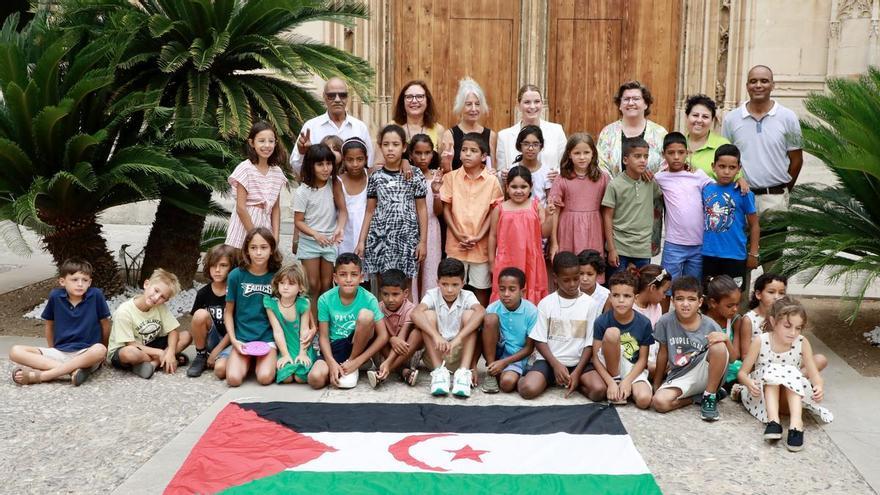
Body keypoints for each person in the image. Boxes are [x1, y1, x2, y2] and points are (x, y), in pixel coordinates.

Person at [738, 297, 832, 452]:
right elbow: (742, 373)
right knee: (775, 372)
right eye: (788, 326)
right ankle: (773, 422)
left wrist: (819, 387)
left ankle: (796, 424)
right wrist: (749, 383)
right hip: (762, 398)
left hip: (789, 398)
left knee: (788, 373)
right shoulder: (761, 341)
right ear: (773, 322)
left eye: (798, 328)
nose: (793, 332)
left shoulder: (802, 342)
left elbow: (814, 376)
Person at [10, 259, 109, 386]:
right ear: (63, 281)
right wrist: (51, 349)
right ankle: (73, 371)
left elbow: (105, 324)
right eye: (74, 280)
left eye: (84, 280)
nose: (80, 284)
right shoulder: (55, 297)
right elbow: (49, 325)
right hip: (60, 352)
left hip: (87, 353)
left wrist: (105, 350)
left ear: (89, 282)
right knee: (15, 351)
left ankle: (42, 375)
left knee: (100, 349)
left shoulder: (96, 295)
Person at [517, 252, 601, 400]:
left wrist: (576, 372)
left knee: (599, 391)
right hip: (550, 361)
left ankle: (574, 382)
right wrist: (555, 365)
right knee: (527, 390)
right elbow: (540, 339)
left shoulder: (590, 304)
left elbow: (589, 344)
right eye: (566, 280)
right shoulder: (546, 303)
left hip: (579, 363)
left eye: (576, 278)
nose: (573, 284)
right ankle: (539, 377)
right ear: (555, 279)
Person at [721, 65, 803, 216]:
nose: (758, 85)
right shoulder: (732, 119)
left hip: (775, 200)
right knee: (741, 240)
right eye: (753, 81)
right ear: (747, 86)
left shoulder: (788, 117)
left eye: (764, 81)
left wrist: (783, 192)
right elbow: (726, 157)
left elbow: (796, 160)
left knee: (775, 240)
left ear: (773, 85)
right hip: (741, 198)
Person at [651, 276, 733, 421]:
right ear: (672, 301)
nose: (685, 304)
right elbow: (663, 353)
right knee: (660, 403)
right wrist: (657, 383)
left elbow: (731, 357)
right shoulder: (665, 321)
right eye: (680, 298)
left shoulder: (710, 324)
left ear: (700, 302)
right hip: (680, 374)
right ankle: (696, 398)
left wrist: (726, 339)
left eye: (691, 299)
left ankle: (710, 396)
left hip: (706, 373)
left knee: (719, 346)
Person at [439, 132, 504, 306]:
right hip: (455, 244)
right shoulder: (450, 177)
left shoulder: (492, 181)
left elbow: (494, 212)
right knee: (451, 286)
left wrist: (479, 236)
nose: (467, 153)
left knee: (481, 288)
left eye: (473, 150)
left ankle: (479, 326)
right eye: (464, 149)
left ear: (484, 156)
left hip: (480, 247)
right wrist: (458, 234)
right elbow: (446, 209)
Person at [358, 125, 428, 285]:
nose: (390, 149)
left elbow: (422, 209)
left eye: (395, 144)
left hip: (407, 239)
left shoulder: (415, 174)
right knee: (384, 287)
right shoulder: (375, 177)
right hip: (380, 238)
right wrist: (362, 241)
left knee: (405, 287)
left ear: (404, 147)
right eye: (386, 144)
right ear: (380, 146)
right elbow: (370, 211)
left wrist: (422, 242)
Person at [307, 253, 389, 389]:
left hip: (358, 345)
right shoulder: (325, 299)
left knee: (366, 315)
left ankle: (352, 365)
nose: (348, 279)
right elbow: (323, 337)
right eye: (343, 274)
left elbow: (383, 336)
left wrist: (356, 361)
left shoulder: (369, 299)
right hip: (335, 347)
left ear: (361, 277)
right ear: (335, 278)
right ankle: (340, 368)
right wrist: (331, 362)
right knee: (315, 379)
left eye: (354, 274)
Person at [410, 258, 485, 398]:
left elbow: (481, 311)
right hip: (436, 352)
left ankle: (463, 373)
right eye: (444, 284)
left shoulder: (468, 295)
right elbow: (415, 313)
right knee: (427, 315)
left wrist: (458, 338)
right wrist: (436, 336)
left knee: (471, 315)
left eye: (455, 285)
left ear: (463, 283)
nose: (449, 289)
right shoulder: (432, 294)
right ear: (437, 282)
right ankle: (439, 373)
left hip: (460, 354)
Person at [582, 271, 654, 409]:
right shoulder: (602, 321)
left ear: (635, 298)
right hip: (608, 367)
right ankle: (616, 382)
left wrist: (627, 381)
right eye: (616, 295)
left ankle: (625, 388)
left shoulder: (644, 322)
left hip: (632, 369)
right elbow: (596, 358)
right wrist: (610, 382)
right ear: (610, 297)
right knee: (612, 333)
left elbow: (643, 360)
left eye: (627, 296)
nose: (621, 300)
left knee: (644, 400)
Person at [293, 143, 348, 317]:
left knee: (327, 285)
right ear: (311, 165)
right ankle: (312, 325)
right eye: (320, 164)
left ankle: (325, 324)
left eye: (328, 163)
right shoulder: (303, 191)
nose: (325, 168)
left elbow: (343, 211)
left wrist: (339, 228)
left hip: (329, 241)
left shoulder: (334, 183)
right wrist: (315, 234)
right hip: (310, 242)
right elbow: (298, 221)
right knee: (312, 285)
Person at [107, 268, 192, 379]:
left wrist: (170, 352)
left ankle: (154, 364)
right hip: (125, 350)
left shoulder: (160, 307)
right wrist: (161, 353)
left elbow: (173, 331)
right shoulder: (124, 311)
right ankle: (164, 361)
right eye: (156, 291)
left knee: (186, 336)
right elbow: (131, 345)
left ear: (165, 301)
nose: (156, 298)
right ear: (146, 284)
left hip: (149, 345)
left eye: (162, 297)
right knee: (131, 353)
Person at [224, 227, 282, 386]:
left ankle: (258, 363)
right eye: (253, 248)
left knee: (264, 378)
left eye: (264, 247)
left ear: (271, 250)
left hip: (267, 338)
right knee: (233, 380)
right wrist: (234, 340)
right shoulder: (236, 275)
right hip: (243, 338)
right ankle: (245, 362)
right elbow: (228, 313)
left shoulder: (278, 275)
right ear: (246, 251)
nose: (258, 252)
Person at [488, 166, 552, 304]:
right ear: (507, 187)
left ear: (531, 187)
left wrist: (550, 216)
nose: (518, 191)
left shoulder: (536, 206)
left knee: (531, 288)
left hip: (531, 260)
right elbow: (492, 236)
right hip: (506, 260)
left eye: (523, 187)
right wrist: (492, 262)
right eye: (514, 186)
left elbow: (545, 233)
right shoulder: (499, 209)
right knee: (507, 291)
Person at [740, 273, 828, 373]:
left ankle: (792, 382)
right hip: (763, 365)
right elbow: (745, 355)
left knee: (820, 360)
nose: (777, 297)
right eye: (771, 292)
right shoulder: (749, 319)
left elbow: (795, 343)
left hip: (787, 360)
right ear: (758, 294)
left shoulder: (788, 316)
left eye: (781, 293)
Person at [654, 132, 713, 282]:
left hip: (698, 244)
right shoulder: (660, 178)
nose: (676, 157)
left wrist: (740, 181)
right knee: (665, 285)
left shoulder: (698, 175)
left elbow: (719, 189)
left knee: (693, 286)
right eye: (671, 153)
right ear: (663, 154)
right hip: (674, 244)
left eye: (681, 152)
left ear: (687, 153)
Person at [702, 144, 759, 291]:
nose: (726, 172)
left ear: (738, 168)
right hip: (708, 254)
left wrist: (753, 253)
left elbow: (754, 225)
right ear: (713, 166)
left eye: (732, 167)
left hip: (735, 255)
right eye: (722, 166)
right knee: (709, 296)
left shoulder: (744, 193)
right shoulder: (704, 189)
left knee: (733, 296)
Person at [601, 138, 662, 276]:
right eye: (637, 156)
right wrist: (611, 249)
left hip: (642, 249)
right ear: (625, 160)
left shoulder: (650, 182)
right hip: (619, 248)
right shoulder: (615, 185)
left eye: (646, 156)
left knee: (641, 288)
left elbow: (664, 192)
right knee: (618, 287)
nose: (643, 160)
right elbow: (607, 216)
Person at [224, 121, 289, 249]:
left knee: (260, 264)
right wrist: (253, 235)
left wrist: (275, 236)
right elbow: (241, 208)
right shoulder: (245, 168)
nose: (267, 145)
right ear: (252, 143)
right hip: (244, 225)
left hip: (265, 225)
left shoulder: (277, 172)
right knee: (238, 262)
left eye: (271, 141)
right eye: (261, 141)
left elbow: (275, 208)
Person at [291, 77, 373, 175]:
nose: (337, 99)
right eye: (331, 95)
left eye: (342, 95)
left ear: (348, 97)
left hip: (350, 189)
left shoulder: (359, 127)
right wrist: (302, 153)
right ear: (324, 96)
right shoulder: (311, 126)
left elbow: (369, 163)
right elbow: (296, 167)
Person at [549, 133, 609, 263]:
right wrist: (554, 242)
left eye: (586, 152)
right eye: (577, 153)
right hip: (568, 230)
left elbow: (608, 211)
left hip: (594, 229)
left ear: (593, 153)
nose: (582, 157)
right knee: (570, 268)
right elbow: (555, 213)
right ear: (569, 154)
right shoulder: (562, 179)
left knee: (591, 267)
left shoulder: (603, 178)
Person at [481, 267, 537, 394]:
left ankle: (509, 374)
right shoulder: (493, 308)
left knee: (507, 384)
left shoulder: (531, 311)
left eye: (512, 289)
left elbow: (529, 348)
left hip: (517, 357)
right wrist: (495, 363)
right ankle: (491, 372)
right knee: (489, 319)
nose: (506, 294)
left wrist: (504, 363)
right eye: (502, 289)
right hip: (496, 355)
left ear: (522, 291)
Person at [596, 81, 668, 177]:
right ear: (620, 106)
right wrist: (616, 187)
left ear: (646, 104)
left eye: (636, 99)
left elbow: (666, 165)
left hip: (651, 190)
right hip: (615, 190)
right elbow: (601, 165)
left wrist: (651, 184)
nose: (630, 103)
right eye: (626, 99)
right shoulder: (608, 133)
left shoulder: (660, 133)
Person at [496, 84, 567, 177]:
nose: (532, 106)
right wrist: (503, 174)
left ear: (542, 103)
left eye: (537, 101)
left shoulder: (557, 131)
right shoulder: (504, 136)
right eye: (527, 102)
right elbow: (500, 171)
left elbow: (566, 165)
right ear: (518, 105)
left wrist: (558, 173)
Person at [188, 245, 237, 378]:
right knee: (200, 314)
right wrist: (210, 349)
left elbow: (237, 327)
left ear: (232, 267)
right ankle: (201, 356)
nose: (217, 270)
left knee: (220, 370)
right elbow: (196, 323)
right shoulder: (203, 293)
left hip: (232, 340)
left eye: (223, 265)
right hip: (212, 339)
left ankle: (220, 358)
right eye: (213, 265)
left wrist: (217, 352)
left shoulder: (236, 293)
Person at [683, 94, 748, 192]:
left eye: (705, 117)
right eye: (695, 115)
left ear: (712, 120)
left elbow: (737, 178)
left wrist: (740, 180)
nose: (699, 120)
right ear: (687, 116)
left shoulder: (722, 145)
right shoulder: (678, 144)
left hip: (714, 204)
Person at [265, 262, 315, 384]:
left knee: (300, 378)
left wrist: (302, 353)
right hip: (284, 346)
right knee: (286, 378)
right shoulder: (270, 304)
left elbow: (304, 330)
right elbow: (277, 331)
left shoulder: (303, 304)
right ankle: (287, 358)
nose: (285, 287)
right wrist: (285, 355)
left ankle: (302, 357)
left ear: (301, 287)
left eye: (291, 284)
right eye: (282, 283)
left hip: (301, 346)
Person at [373, 269, 423, 388]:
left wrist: (388, 363)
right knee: (374, 332)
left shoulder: (410, 308)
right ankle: (403, 372)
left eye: (395, 294)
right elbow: (382, 335)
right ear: (380, 293)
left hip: (406, 355)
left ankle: (386, 370)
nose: (390, 299)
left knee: (418, 333)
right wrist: (391, 339)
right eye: (385, 294)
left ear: (405, 293)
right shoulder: (377, 308)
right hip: (383, 355)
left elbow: (402, 338)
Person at [409, 134, 444, 297]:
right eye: (418, 153)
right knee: (412, 272)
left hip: (431, 226)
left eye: (427, 153)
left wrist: (436, 192)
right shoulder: (407, 174)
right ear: (410, 154)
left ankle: (429, 309)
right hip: (410, 228)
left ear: (433, 154)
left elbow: (438, 212)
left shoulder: (437, 176)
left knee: (430, 269)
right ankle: (411, 310)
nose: (423, 157)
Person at [440, 77, 497, 170]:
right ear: (461, 106)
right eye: (469, 104)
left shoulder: (491, 135)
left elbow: (493, 167)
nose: (474, 109)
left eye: (477, 104)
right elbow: (446, 170)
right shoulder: (450, 135)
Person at [704, 275, 744, 389]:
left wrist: (726, 339)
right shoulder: (701, 320)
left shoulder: (735, 320)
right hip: (708, 367)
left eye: (737, 304)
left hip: (731, 367)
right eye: (730, 306)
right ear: (713, 303)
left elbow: (735, 356)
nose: (735, 309)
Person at [632, 264, 672, 378]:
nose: (664, 297)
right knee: (659, 369)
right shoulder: (630, 306)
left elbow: (657, 338)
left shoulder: (657, 307)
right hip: (634, 357)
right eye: (664, 292)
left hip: (651, 355)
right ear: (653, 288)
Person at [505, 125, 553, 205]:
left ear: (541, 146)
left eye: (535, 144)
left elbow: (549, 202)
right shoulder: (511, 170)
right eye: (526, 144)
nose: (530, 148)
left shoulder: (547, 173)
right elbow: (507, 198)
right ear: (520, 146)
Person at [388, 80, 446, 147]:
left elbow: (441, 157)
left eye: (419, 96)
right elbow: (380, 157)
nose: (414, 101)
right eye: (409, 97)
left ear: (427, 101)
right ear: (402, 101)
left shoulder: (438, 130)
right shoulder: (390, 127)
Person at [336, 138, 369, 255]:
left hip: (367, 230)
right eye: (350, 160)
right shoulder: (338, 181)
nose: (355, 164)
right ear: (343, 160)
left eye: (360, 159)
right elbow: (342, 210)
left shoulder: (371, 174)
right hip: (346, 232)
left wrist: (405, 162)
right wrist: (339, 230)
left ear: (366, 159)